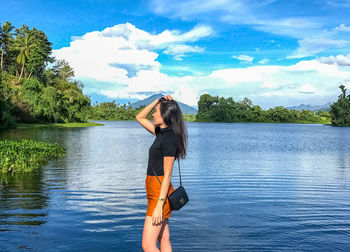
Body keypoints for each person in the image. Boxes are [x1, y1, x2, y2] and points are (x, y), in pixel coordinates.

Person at [136, 95, 188, 252]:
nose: (153, 114)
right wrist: (157, 101)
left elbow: (167, 175)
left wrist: (159, 205)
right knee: (163, 238)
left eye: (156, 111)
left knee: (147, 245)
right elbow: (139, 117)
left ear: (165, 115)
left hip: (159, 193)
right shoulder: (161, 133)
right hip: (155, 190)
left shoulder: (170, 139)